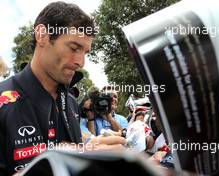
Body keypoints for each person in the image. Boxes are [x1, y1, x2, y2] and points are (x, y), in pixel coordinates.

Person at [0, 2, 125, 175]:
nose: (80, 62)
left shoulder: (71, 102)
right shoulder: (4, 101)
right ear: (42, 35)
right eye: (74, 48)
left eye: (85, 52)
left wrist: (91, 151)